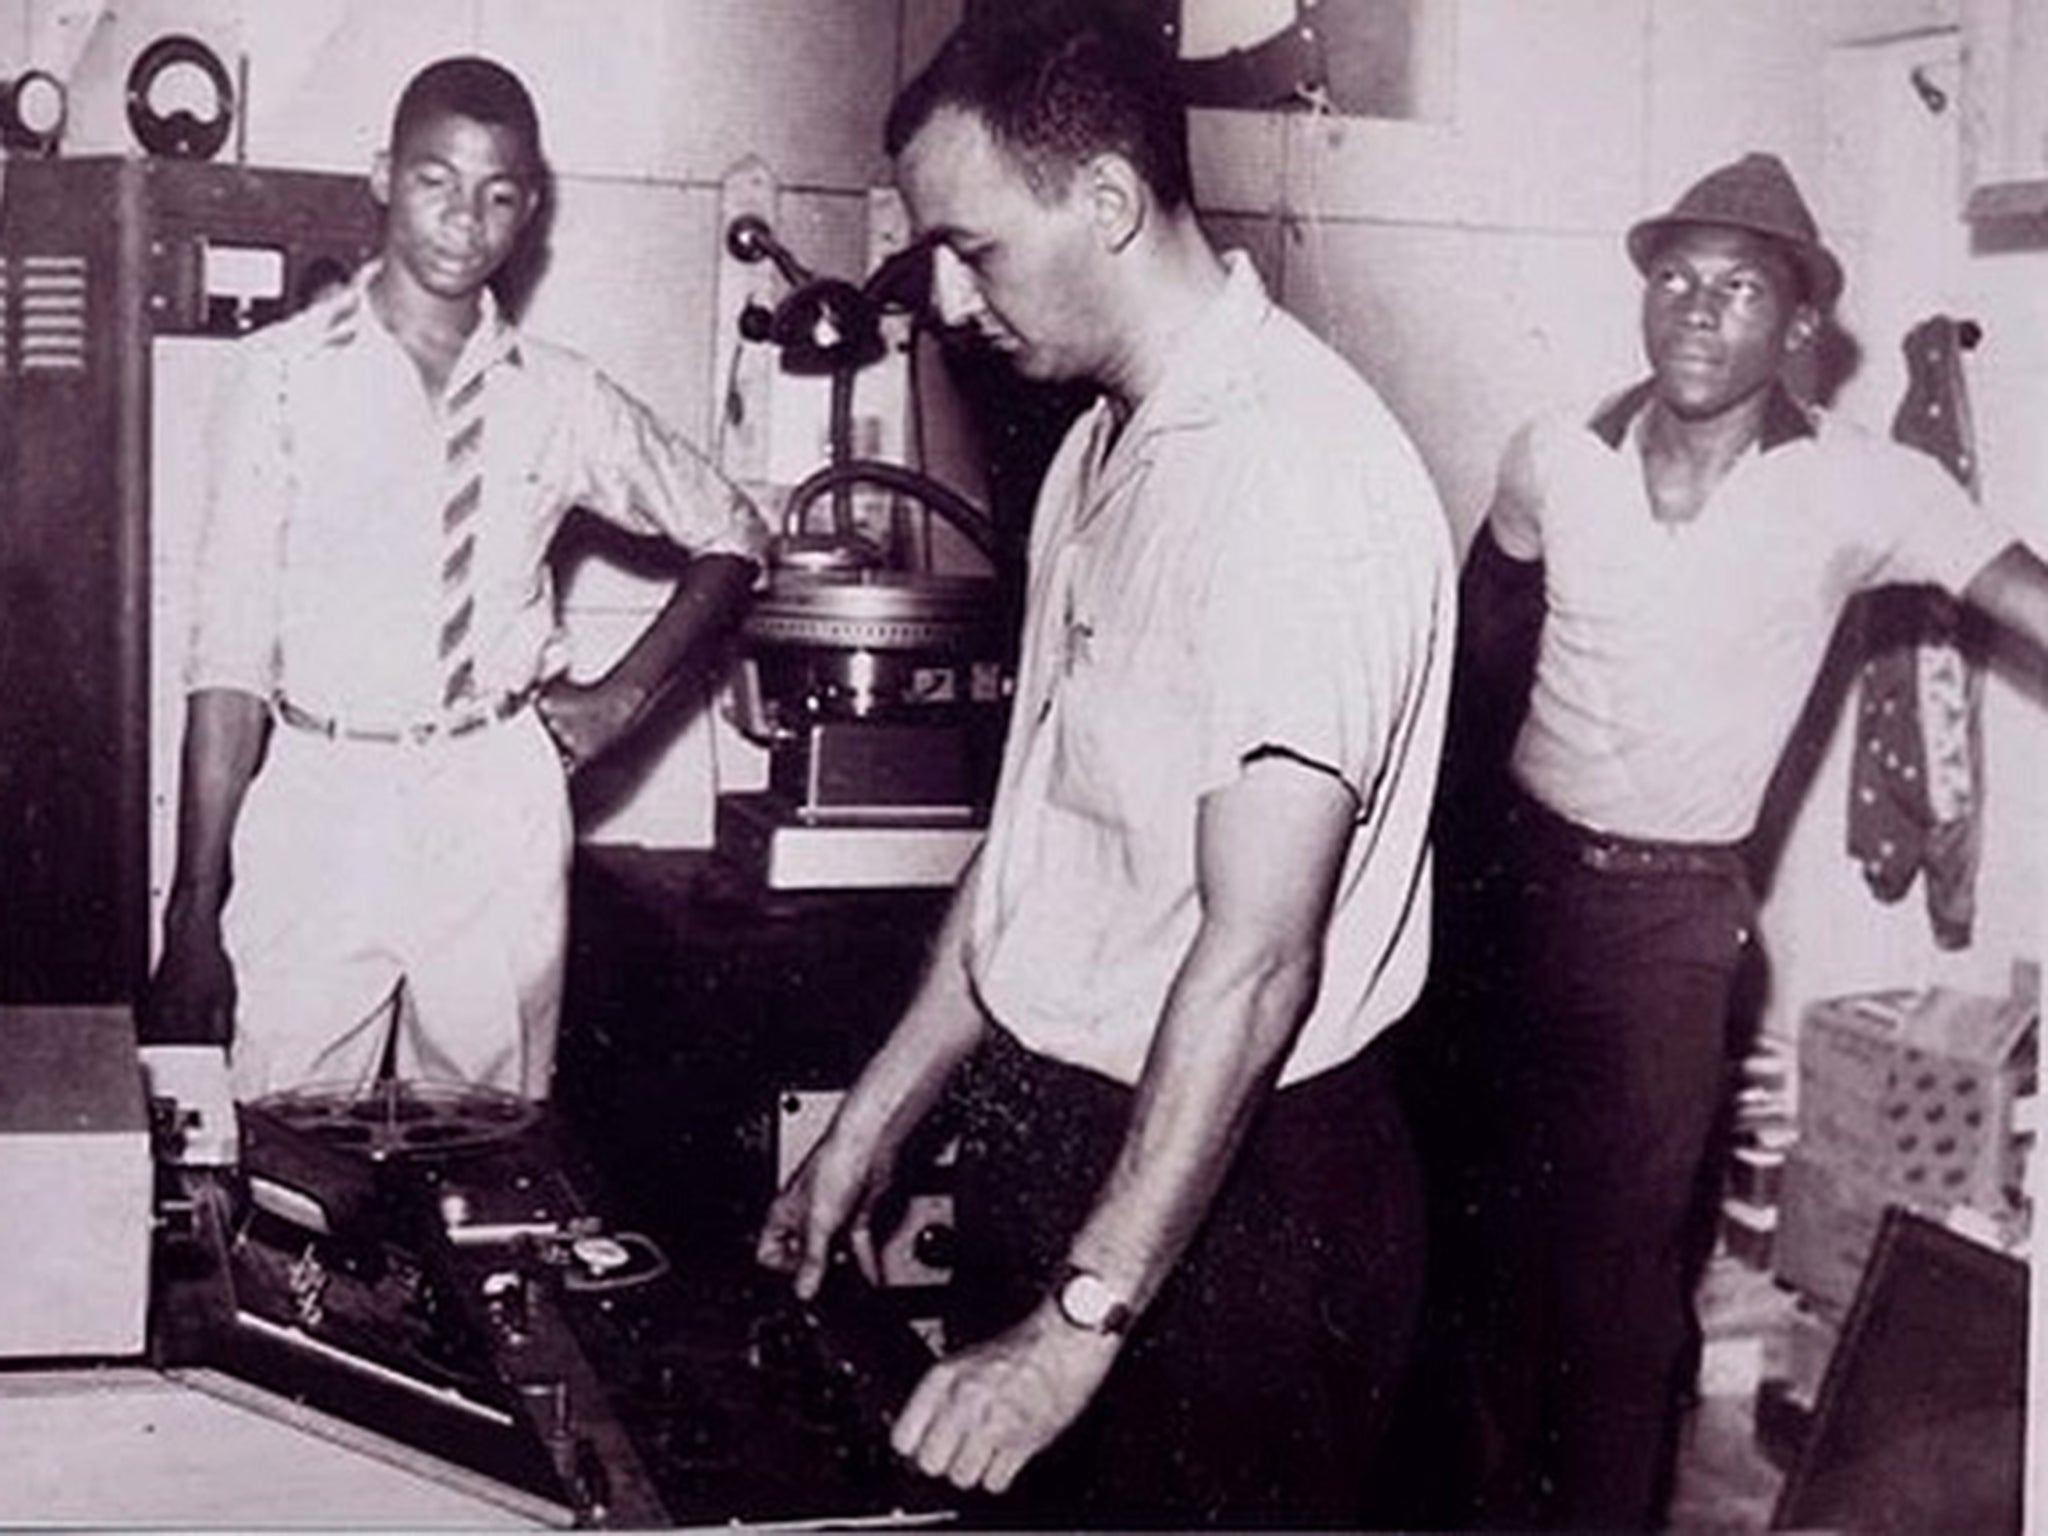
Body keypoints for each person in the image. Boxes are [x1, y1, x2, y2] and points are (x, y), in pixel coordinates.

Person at [754, 10, 1454, 1528]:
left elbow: (1258, 961)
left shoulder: (1293, 485)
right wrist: (870, 1123)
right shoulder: (1100, 446)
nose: (942, 298)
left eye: (973, 248)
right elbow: (1037, 850)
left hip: (1237, 1200)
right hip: (1076, 1149)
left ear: (1112, 205)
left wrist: (1074, 1333)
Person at [1440, 150, 2048, 1530]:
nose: (1699, 310)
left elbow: (2023, 593)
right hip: (1519, 888)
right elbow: (1478, 657)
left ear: (1795, 330)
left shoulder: (1863, 487)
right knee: (1483, 1246)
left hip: (1671, 923)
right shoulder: (1554, 455)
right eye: (1675, 280)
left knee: (1617, 1279)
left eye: (1740, 287)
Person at [146, 56, 768, 1103]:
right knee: (277, 1128)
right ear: (383, 174)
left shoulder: (559, 397)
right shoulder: (281, 379)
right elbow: (229, 660)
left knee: (489, 1145)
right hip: (319, 793)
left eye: (497, 193)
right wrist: (190, 913)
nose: (463, 219)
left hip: (493, 804)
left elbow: (733, 532)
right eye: (436, 180)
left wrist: (618, 701)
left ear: (529, 211)